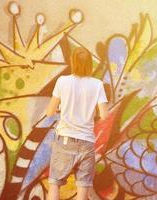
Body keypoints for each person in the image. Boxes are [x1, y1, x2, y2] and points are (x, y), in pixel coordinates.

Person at [45, 47, 109, 200]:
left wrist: (63, 108)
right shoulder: (97, 84)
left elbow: (50, 111)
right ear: (89, 64)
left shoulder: (62, 81)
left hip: (65, 141)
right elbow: (104, 115)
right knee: (82, 190)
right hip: (87, 142)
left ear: (73, 62)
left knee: (54, 185)